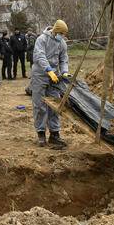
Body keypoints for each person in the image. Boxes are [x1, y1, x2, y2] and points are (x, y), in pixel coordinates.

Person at [31, 20, 70, 148]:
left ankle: (55, 134)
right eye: (61, 33)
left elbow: (64, 59)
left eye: (64, 34)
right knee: (40, 105)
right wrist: (48, 70)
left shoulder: (62, 43)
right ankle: (41, 133)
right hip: (40, 75)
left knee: (55, 105)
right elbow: (39, 56)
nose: (63, 36)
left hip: (54, 78)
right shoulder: (42, 40)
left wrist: (64, 72)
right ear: (56, 31)